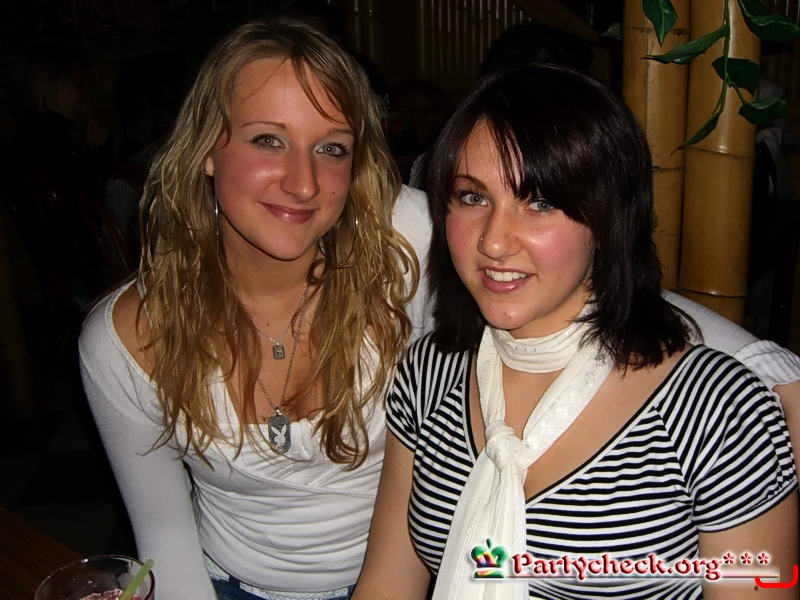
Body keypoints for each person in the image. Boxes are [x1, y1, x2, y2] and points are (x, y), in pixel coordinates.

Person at [353, 64, 798, 600]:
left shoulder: (717, 409)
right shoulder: (429, 372)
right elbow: (388, 584)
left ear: (608, 218)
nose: (494, 241)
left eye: (540, 202)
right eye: (472, 197)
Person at [78, 18, 430, 600]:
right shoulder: (128, 338)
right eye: (268, 139)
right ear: (206, 149)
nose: (304, 183)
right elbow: (165, 536)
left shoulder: (407, 243)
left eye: (331, 148)